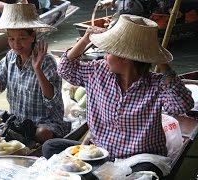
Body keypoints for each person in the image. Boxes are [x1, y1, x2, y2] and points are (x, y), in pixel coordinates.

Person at [42, 14, 194, 178]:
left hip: (139, 158)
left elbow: (182, 106)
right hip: (101, 154)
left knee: (147, 173)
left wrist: (160, 59)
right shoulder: (98, 71)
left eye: (109, 52)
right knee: (51, 146)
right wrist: (86, 39)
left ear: (125, 58)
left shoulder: (157, 84)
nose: (105, 56)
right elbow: (65, 68)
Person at [0, 4, 70, 146]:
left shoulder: (46, 61)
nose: (16, 44)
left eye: (22, 38)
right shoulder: (10, 57)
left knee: (42, 134)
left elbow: (52, 100)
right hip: (19, 122)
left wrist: (37, 69)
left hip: (44, 123)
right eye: (11, 39)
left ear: (32, 36)